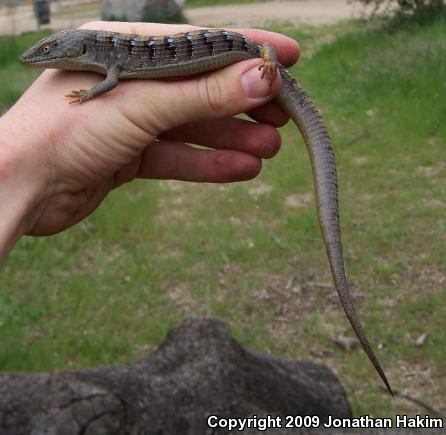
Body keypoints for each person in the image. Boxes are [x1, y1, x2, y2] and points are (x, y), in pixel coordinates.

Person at [0, 21, 299, 265]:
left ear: (80, 47)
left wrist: (87, 95)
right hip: (243, 50)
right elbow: (111, 78)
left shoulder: (109, 57)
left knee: (261, 52)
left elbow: (111, 82)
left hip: (249, 52)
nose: (39, 56)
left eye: (48, 49)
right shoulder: (107, 56)